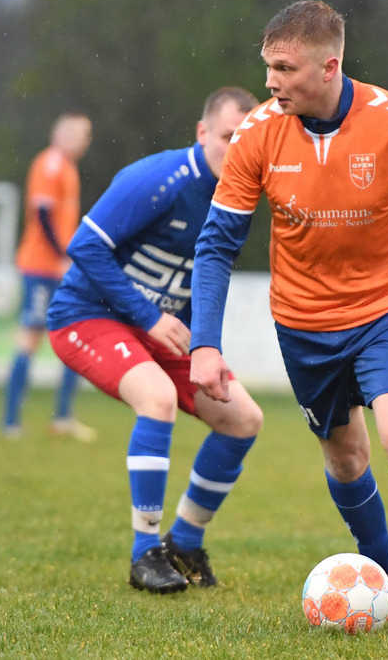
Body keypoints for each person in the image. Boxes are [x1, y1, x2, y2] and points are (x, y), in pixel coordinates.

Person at [189, 0, 388, 633]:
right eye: (268, 67)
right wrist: (205, 343)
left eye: (285, 69)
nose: (270, 82)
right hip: (303, 324)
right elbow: (217, 244)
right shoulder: (257, 133)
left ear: (329, 67)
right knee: (345, 459)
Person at [46, 87, 263, 594]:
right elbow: (85, 246)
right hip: (86, 316)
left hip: (160, 329)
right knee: (158, 398)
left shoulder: (240, 196)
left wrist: (206, 346)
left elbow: (205, 279)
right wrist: (147, 317)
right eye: (228, 136)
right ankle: (144, 553)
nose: (238, 149)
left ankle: (183, 543)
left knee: (243, 419)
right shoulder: (158, 177)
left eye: (248, 141)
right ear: (202, 132)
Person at [2, 112, 96, 441]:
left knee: (73, 336)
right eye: (82, 134)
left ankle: (62, 418)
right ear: (64, 135)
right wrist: (61, 254)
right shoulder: (52, 163)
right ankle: (11, 421)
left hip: (58, 268)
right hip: (41, 268)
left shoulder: (67, 167)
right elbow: (41, 212)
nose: (86, 141)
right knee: (31, 337)